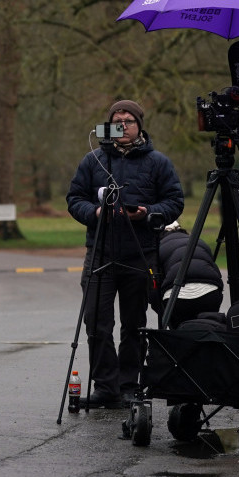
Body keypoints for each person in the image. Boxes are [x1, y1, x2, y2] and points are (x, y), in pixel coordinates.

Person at [66, 100, 184, 409]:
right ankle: (106, 386)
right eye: (116, 121)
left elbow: (174, 201)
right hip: (100, 252)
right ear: (107, 126)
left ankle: (129, 385)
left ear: (139, 125)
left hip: (140, 253)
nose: (123, 126)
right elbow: (74, 198)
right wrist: (93, 212)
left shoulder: (158, 162)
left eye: (128, 120)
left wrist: (147, 212)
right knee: (97, 322)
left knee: (135, 324)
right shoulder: (92, 161)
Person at [153, 222, 223, 328]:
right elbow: (214, 271)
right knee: (208, 329)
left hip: (177, 299)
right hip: (210, 293)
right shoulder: (199, 241)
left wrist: (163, 313)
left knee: (180, 335)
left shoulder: (158, 248)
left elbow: (154, 287)